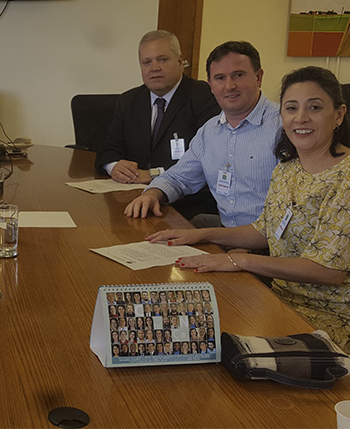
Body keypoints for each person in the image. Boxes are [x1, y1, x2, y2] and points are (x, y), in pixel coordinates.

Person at [147, 66, 350, 350]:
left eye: (314, 107)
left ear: (339, 115)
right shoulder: (288, 168)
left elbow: (328, 271)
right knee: (185, 326)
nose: (301, 118)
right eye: (291, 108)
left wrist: (239, 261)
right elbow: (264, 230)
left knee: (216, 345)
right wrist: (201, 235)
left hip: (330, 318)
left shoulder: (345, 177)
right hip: (278, 299)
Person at [125, 41, 281, 228]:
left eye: (238, 75)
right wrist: (152, 193)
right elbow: (179, 177)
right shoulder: (210, 131)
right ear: (211, 85)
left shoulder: (285, 127)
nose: (229, 86)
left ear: (258, 77)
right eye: (220, 78)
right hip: (226, 231)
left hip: (271, 240)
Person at [96, 31, 220, 218]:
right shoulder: (129, 100)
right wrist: (113, 166)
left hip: (185, 205)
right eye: (147, 62)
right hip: (133, 198)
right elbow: (107, 149)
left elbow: (207, 159)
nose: (154, 68)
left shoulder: (203, 96)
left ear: (180, 61)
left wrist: (154, 174)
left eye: (162, 59)